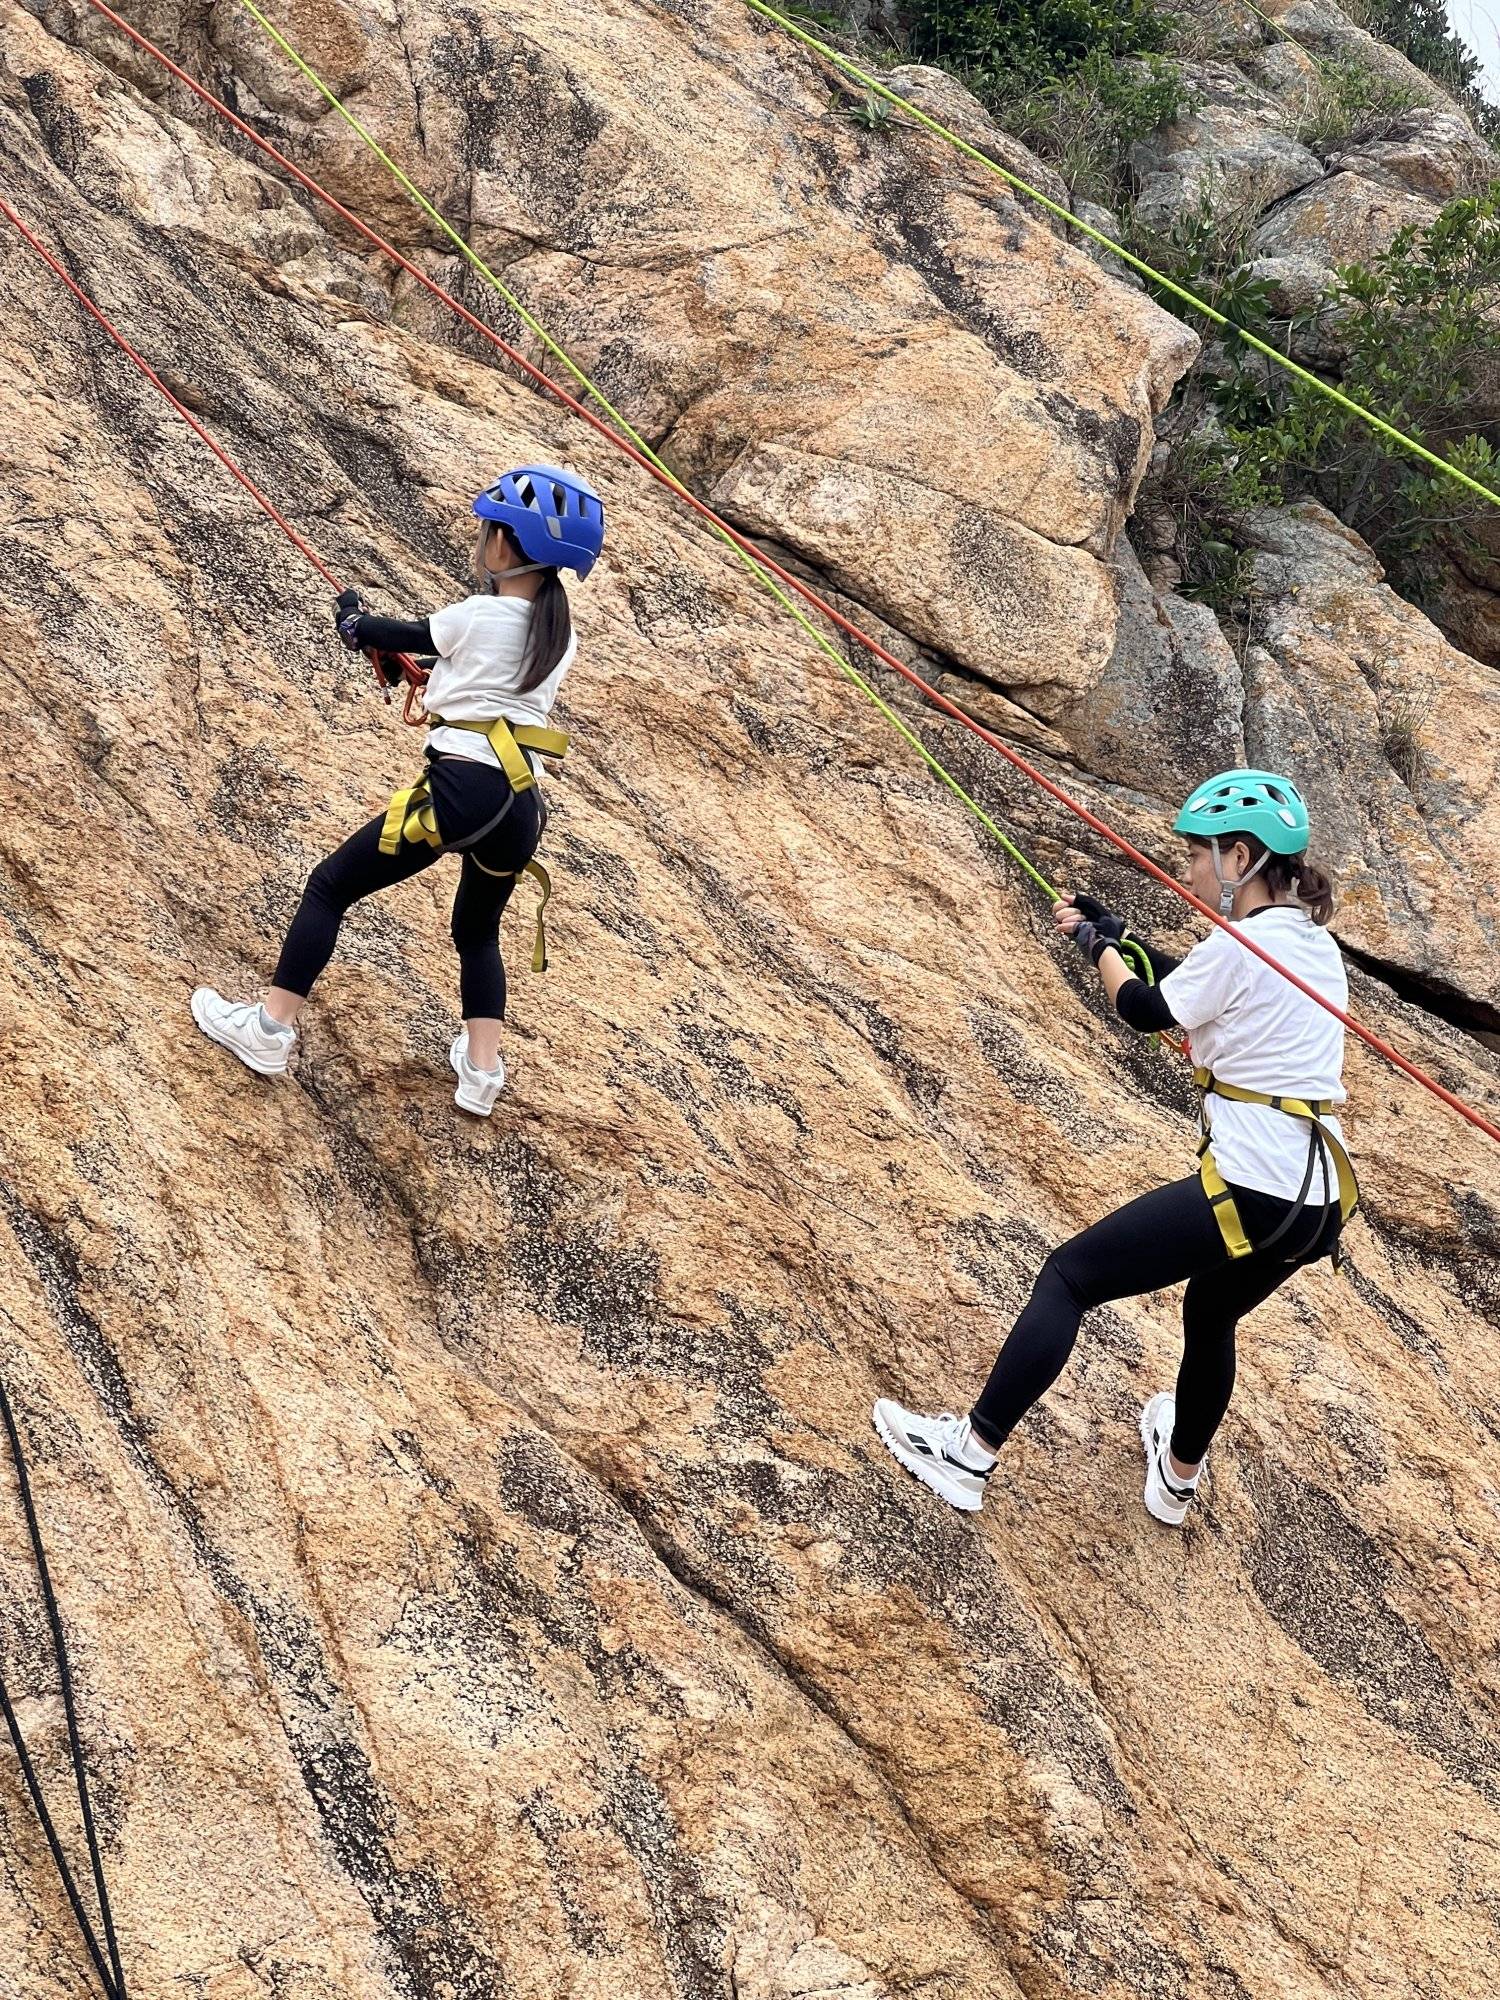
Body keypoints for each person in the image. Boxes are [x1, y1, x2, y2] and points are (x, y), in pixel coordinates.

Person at [873, 769, 1359, 1528]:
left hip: (1255, 1184)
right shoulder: (1308, 944)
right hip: (1319, 1203)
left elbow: (1142, 1009)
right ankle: (1175, 1477)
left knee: (1068, 1279)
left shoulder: (1241, 943)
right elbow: (1196, 988)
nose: (1189, 869)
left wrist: (1100, 949)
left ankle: (967, 1454)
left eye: (1198, 854)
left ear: (1240, 860)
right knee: (1212, 1313)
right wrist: (1123, 937)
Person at [192, 464, 604, 1116]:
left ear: (504, 545)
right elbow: (484, 675)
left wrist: (353, 618)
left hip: (460, 790)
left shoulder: (477, 613)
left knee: (331, 886)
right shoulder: (560, 631)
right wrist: (421, 665)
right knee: (477, 933)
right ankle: (481, 1072)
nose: (481, 539)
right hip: (520, 804)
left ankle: (269, 1030)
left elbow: (387, 633)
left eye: (488, 529)